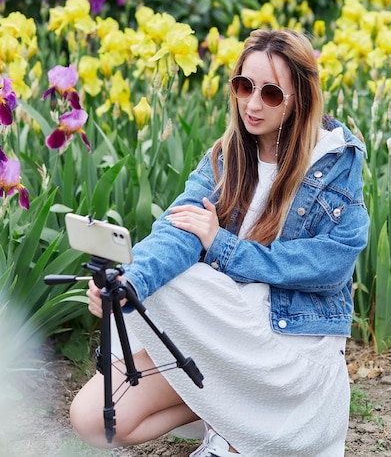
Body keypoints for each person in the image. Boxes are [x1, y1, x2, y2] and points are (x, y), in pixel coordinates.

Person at [70, 28, 370, 457]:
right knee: (93, 419)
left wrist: (223, 245)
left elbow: (330, 267)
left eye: (270, 93)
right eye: (244, 86)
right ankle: (219, 412)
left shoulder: (333, 162)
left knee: (182, 282)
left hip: (289, 353)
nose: (251, 103)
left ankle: (233, 433)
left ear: (299, 98)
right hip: (224, 338)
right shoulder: (228, 155)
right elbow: (179, 228)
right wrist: (128, 285)